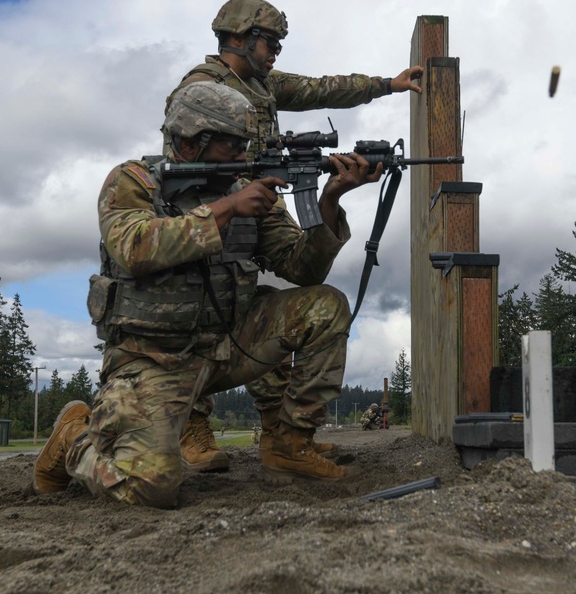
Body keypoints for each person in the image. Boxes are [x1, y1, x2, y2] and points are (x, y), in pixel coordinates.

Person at [33, 81, 382, 508]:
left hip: (228, 344)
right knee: (151, 487)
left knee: (325, 307)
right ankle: (73, 439)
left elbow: (302, 268)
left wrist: (329, 202)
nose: (242, 157)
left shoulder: (250, 189)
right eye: (231, 146)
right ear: (192, 141)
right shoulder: (134, 181)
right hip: (154, 359)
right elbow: (134, 248)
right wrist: (226, 209)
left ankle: (290, 446)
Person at [164, 0, 423, 471]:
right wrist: (230, 200)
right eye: (270, 42)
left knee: (282, 291)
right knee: (197, 294)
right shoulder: (200, 90)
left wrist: (386, 85)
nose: (276, 51)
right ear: (238, 38)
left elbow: (321, 89)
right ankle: (192, 424)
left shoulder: (261, 83)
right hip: (212, 205)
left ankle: (283, 436)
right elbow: (188, 165)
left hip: (258, 198)